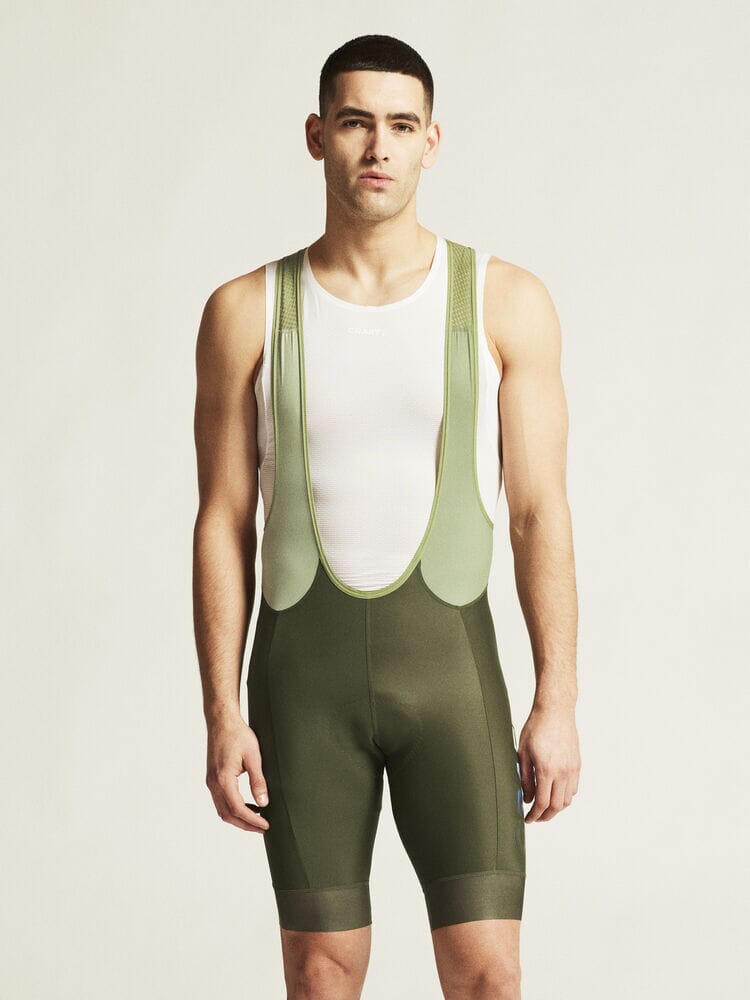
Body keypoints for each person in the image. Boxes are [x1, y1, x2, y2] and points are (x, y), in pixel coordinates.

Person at [192, 33, 580, 1000]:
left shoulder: (504, 300)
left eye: (401, 126)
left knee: (487, 972)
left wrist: (557, 701)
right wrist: (222, 713)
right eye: (356, 123)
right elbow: (223, 521)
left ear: (431, 141)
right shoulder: (245, 310)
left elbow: (537, 514)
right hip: (301, 692)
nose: (378, 147)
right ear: (317, 134)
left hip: (451, 683)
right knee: (321, 972)